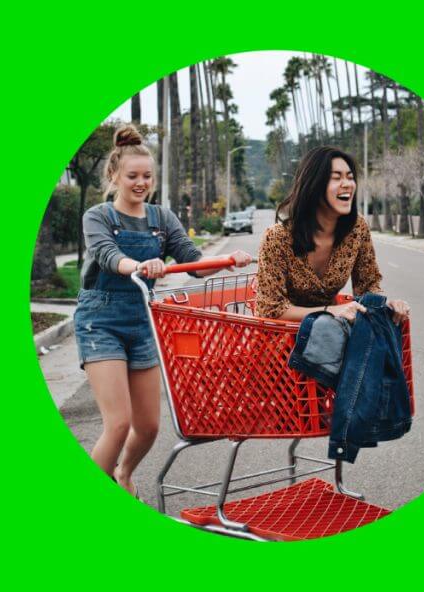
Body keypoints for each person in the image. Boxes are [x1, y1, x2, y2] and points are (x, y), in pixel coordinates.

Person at [74, 125, 251, 498]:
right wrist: (138, 265)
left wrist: (226, 260)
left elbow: (194, 264)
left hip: (143, 322)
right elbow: (107, 256)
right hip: (100, 321)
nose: (141, 183)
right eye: (132, 176)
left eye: (147, 176)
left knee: (150, 425)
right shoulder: (98, 216)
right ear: (114, 176)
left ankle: (123, 473)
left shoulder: (162, 219)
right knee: (118, 423)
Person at [255, 145, 409, 324]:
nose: (347, 184)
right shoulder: (277, 238)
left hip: (330, 336)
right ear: (314, 186)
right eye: (336, 178)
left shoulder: (356, 228)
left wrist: (385, 304)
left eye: (350, 178)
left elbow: (368, 285)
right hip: (280, 342)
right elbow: (269, 309)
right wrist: (330, 311)